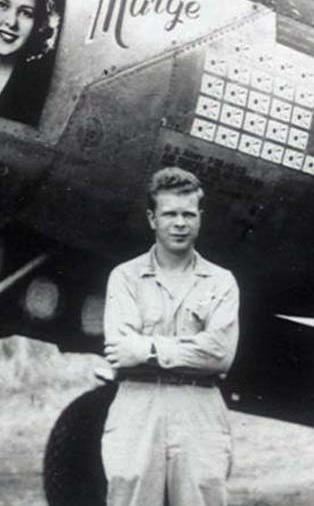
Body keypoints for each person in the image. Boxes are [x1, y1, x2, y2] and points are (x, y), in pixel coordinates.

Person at [101, 167, 240, 506]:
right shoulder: (125, 278)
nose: (180, 223)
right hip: (137, 406)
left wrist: (146, 349)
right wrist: (188, 350)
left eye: (188, 214)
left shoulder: (221, 282)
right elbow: (120, 348)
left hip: (200, 411)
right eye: (170, 214)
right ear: (152, 218)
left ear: (200, 218)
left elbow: (219, 353)